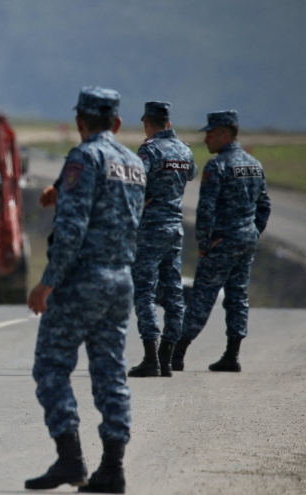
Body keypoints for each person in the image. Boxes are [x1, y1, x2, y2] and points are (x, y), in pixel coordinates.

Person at [25, 86, 144, 494]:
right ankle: (113, 468)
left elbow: (73, 231)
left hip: (82, 281)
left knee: (51, 366)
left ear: (79, 121)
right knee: (111, 373)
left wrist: (47, 282)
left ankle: (70, 459)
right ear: (117, 123)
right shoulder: (133, 163)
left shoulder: (83, 157)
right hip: (120, 280)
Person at [172, 111, 271, 373]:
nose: (206, 139)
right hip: (245, 241)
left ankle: (177, 352)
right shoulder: (254, 165)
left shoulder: (218, 166)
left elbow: (205, 211)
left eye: (211, 133)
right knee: (238, 295)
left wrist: (204, 244)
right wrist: (252, 232)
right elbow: (264, 206)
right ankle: (232, 354)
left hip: (222, 242)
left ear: (225, 134)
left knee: (202, 296)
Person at [127, 102, 197, 378]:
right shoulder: (184, 150)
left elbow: (134, 183)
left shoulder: (150, 150)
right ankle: (166, 358)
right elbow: (190, 173)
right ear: (168, 123)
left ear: (147, 123)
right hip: (174, 228)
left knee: (144, 291)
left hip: (151, 229)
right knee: (173, 293)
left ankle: (150, 358)